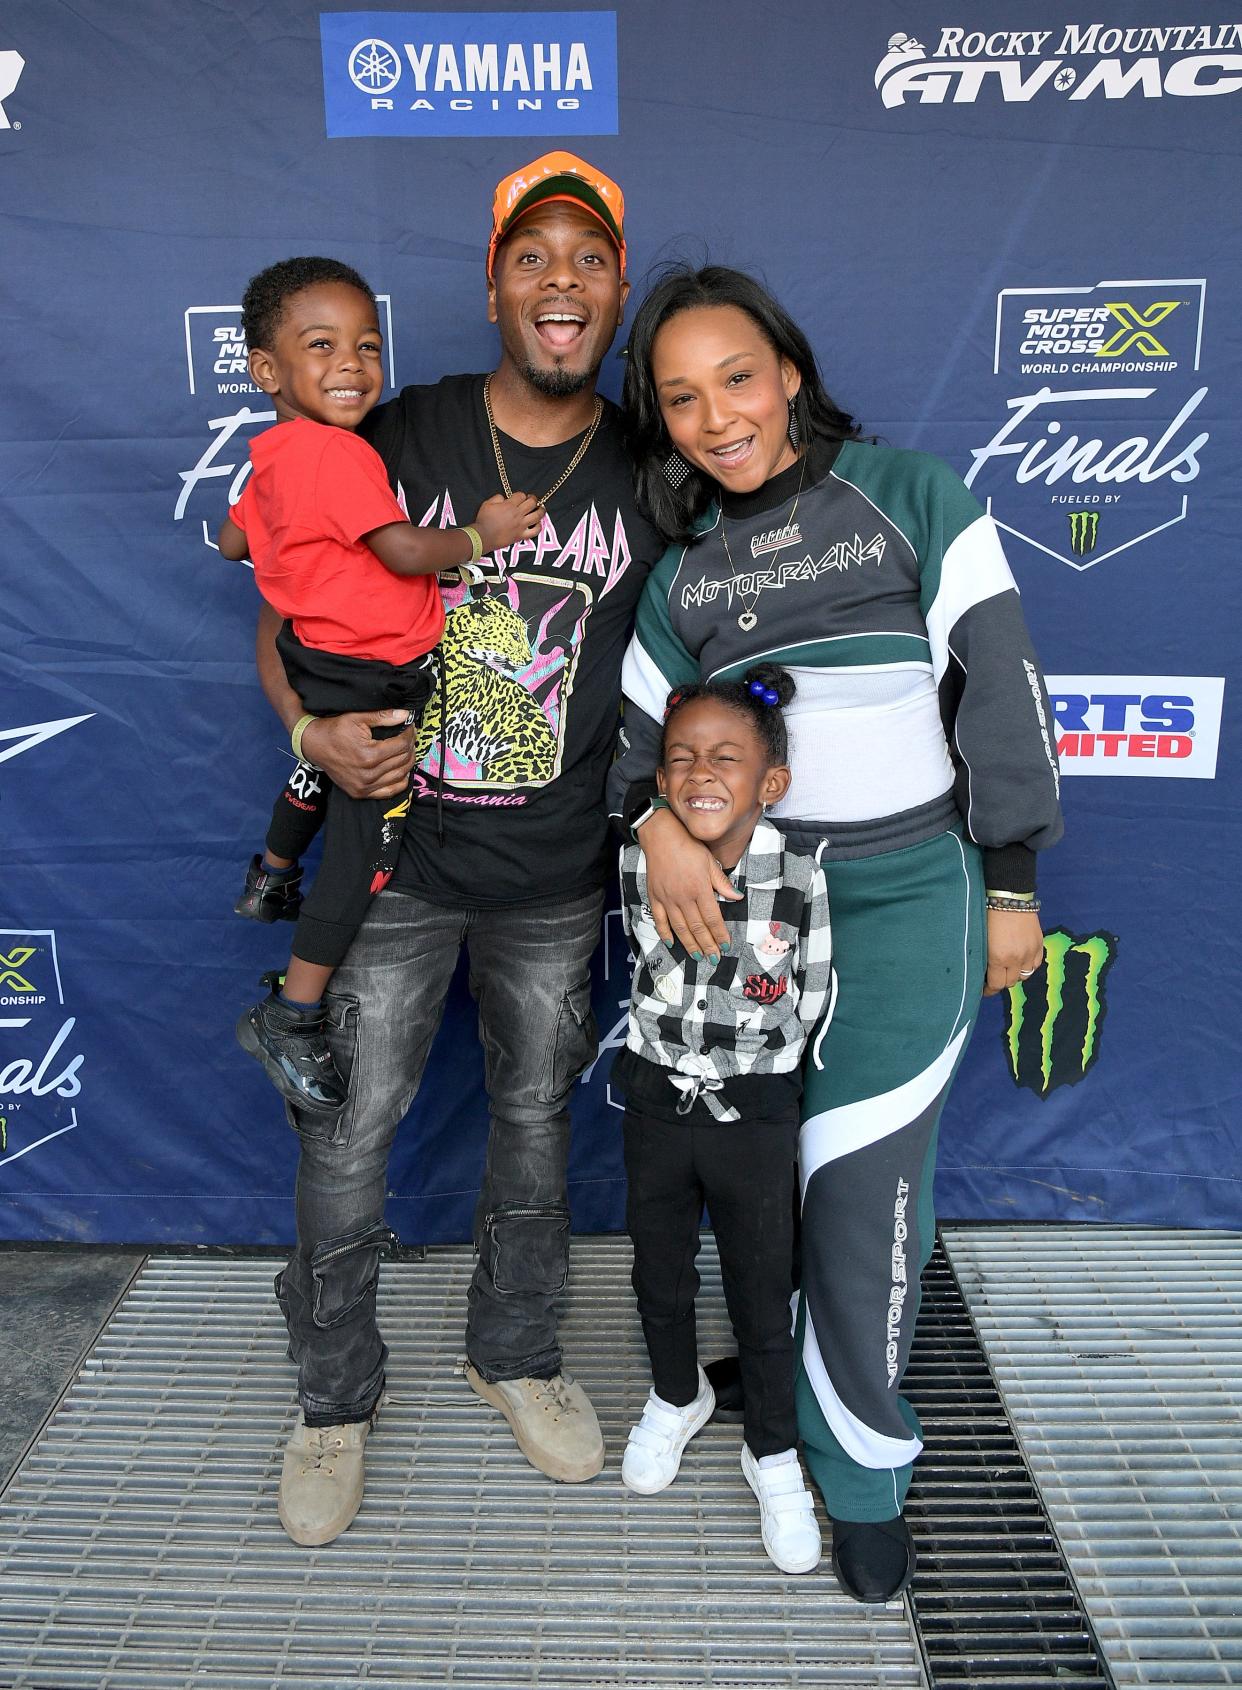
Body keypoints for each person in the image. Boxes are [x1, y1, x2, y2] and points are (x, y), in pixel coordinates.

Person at [610, 266, 1062, 1602]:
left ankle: (860, 1468)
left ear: (789, 372)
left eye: (736, 378)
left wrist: (1013, 885)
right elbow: (634, 759)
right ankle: (793, 1351)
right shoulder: (681, 575)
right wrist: (654, 829)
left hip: (914, 897)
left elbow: (994, 692)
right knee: (763, 1188)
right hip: (744, 924)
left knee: (863, 1198)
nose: (716, 416)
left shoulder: (912, 496)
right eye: (680, 398)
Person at [250, 155, 662, 1547]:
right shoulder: (393, 428)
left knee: (539, 1129)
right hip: (399, 866)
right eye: (531, 257)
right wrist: (310, 731)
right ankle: (331, 1397)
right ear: (489, 283)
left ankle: (517, 1352)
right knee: (348, 1131)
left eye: (588, 260)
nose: (561, 283)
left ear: (615, 290)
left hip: (554, 875)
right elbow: (286, 609)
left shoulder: (643, 464)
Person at [219, 256, 542, 1114]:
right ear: (267, 369)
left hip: (321, 665)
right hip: (374, 673)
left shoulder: (273, 459)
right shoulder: (339, 454)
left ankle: (272, 872)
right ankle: (290, 1013)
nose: (354, 365)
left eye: (367, 344)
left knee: (321, 762)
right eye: (321, 346)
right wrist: (483, 533)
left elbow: (229, 543)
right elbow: (403, 551)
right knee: (364, 858)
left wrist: (303, 559)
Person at [616, 664, 828, 1576]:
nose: (701, 773)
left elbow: (809, 1000)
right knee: (658, 1272)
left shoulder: (803, 877)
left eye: (727, 758)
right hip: (658, 1107)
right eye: (682, 759)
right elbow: (617, 798)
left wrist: (748, 1082)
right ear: (661, 782)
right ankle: (676, 1396)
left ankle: (771, 1449)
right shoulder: (638, 852)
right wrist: (650, 818)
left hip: (754, 1117)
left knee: (759, 1285)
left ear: (769, 783)